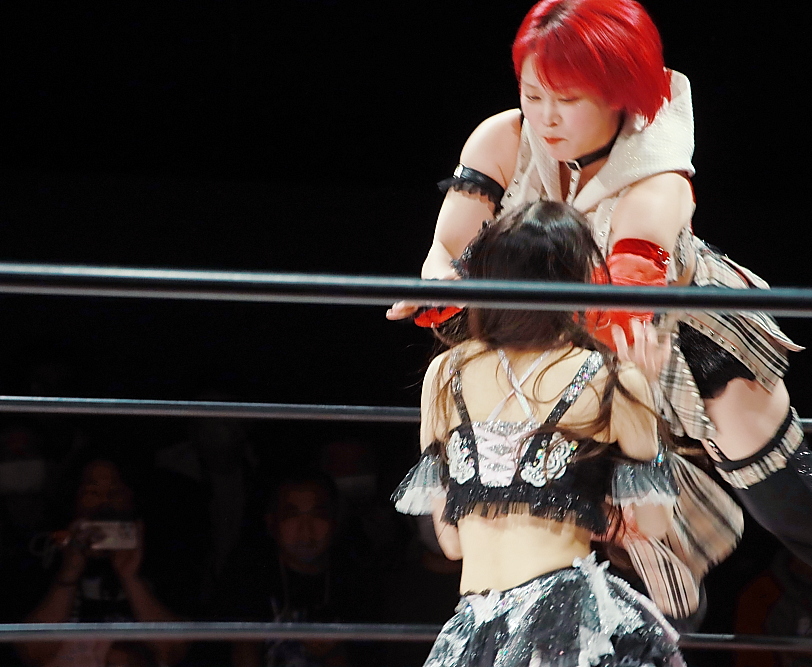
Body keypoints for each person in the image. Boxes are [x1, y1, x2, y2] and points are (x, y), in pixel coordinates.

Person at [387, 0, 812, 663]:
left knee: (785, 499)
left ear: (617, 96)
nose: (546, 116)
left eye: (567, 99)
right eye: (533, 94)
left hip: (679, 333)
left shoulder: (657, 166)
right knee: (595, 517)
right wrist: (439, 285)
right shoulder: (501, 137)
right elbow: (448, 249)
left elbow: (629, 286)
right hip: (583, 351)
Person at [394, 200, 689, 667]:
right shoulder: (611, 377)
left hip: (477, 626)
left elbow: (451, 543)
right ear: (579, 280)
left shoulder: (445, 375)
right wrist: (645, 402)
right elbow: (653, 525)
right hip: (565, 623)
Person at [17, 456, 188, 667]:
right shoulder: (47, 555)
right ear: (73, 499)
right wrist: (69, 573)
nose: (104, 502)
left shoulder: (161, 557)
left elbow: (173, 652)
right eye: (92, 493)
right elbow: (32, 652)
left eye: (115, 493)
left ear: (131, 498)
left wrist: (130, 578)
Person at [216, 470, 379, 667]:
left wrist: (333, 653)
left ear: (335, 522)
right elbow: (242, 650)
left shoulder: (355, 581)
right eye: (292, 516)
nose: (305, 530)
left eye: (317, 516)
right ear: (272, 523)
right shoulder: (249, 575)